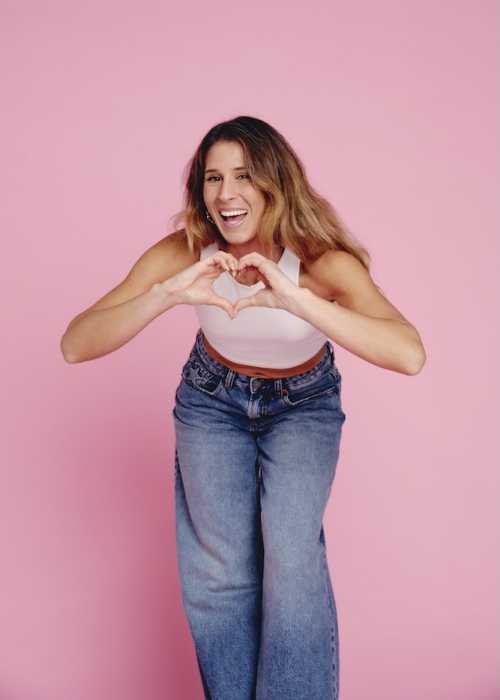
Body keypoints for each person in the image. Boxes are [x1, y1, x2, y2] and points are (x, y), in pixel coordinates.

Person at [61, 116, 425, 700]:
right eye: (213, 178)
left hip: (302, 404)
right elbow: (76, 344)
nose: (226, 193)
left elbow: (408, 354)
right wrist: (167, 294)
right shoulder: (186, 252)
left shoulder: (322, 262)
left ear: (275, 184)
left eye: (244, 175)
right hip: (211, 401)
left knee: (291, 559)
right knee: (218, 575)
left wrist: (298, 301)